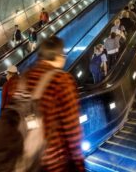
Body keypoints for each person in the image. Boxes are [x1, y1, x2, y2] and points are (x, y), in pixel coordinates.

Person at [17, 36, 85, 171]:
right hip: (54, 162)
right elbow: (72, 130)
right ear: (59, 56)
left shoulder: (25, 77)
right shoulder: (62, 80)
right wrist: (79, 164)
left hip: (26, 157)